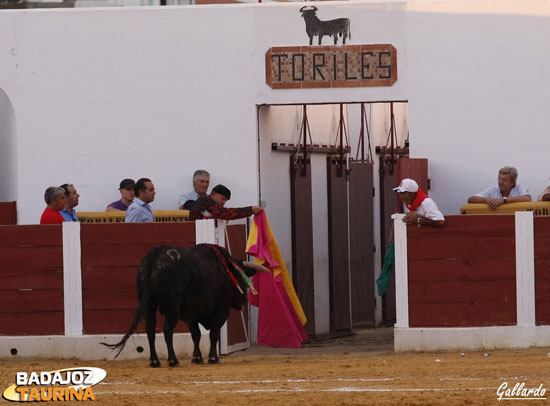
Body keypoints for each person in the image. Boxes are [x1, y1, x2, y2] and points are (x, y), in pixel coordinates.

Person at [467, 166, 531, 210]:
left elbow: (527, 198)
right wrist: (487, 200)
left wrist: (503, 200)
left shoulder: (519, 188)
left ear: (513, 183)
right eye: (499, 179)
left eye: (504, 180)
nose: (500, 182)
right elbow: (471, 199)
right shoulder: (493, 190)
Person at [189, 184, 262, 221]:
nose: (224, 202)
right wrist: (250, 210)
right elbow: (224, 213)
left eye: (226, 200)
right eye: (222, 199)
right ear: (213, 194)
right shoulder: (206, 202)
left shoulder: (204, 201)